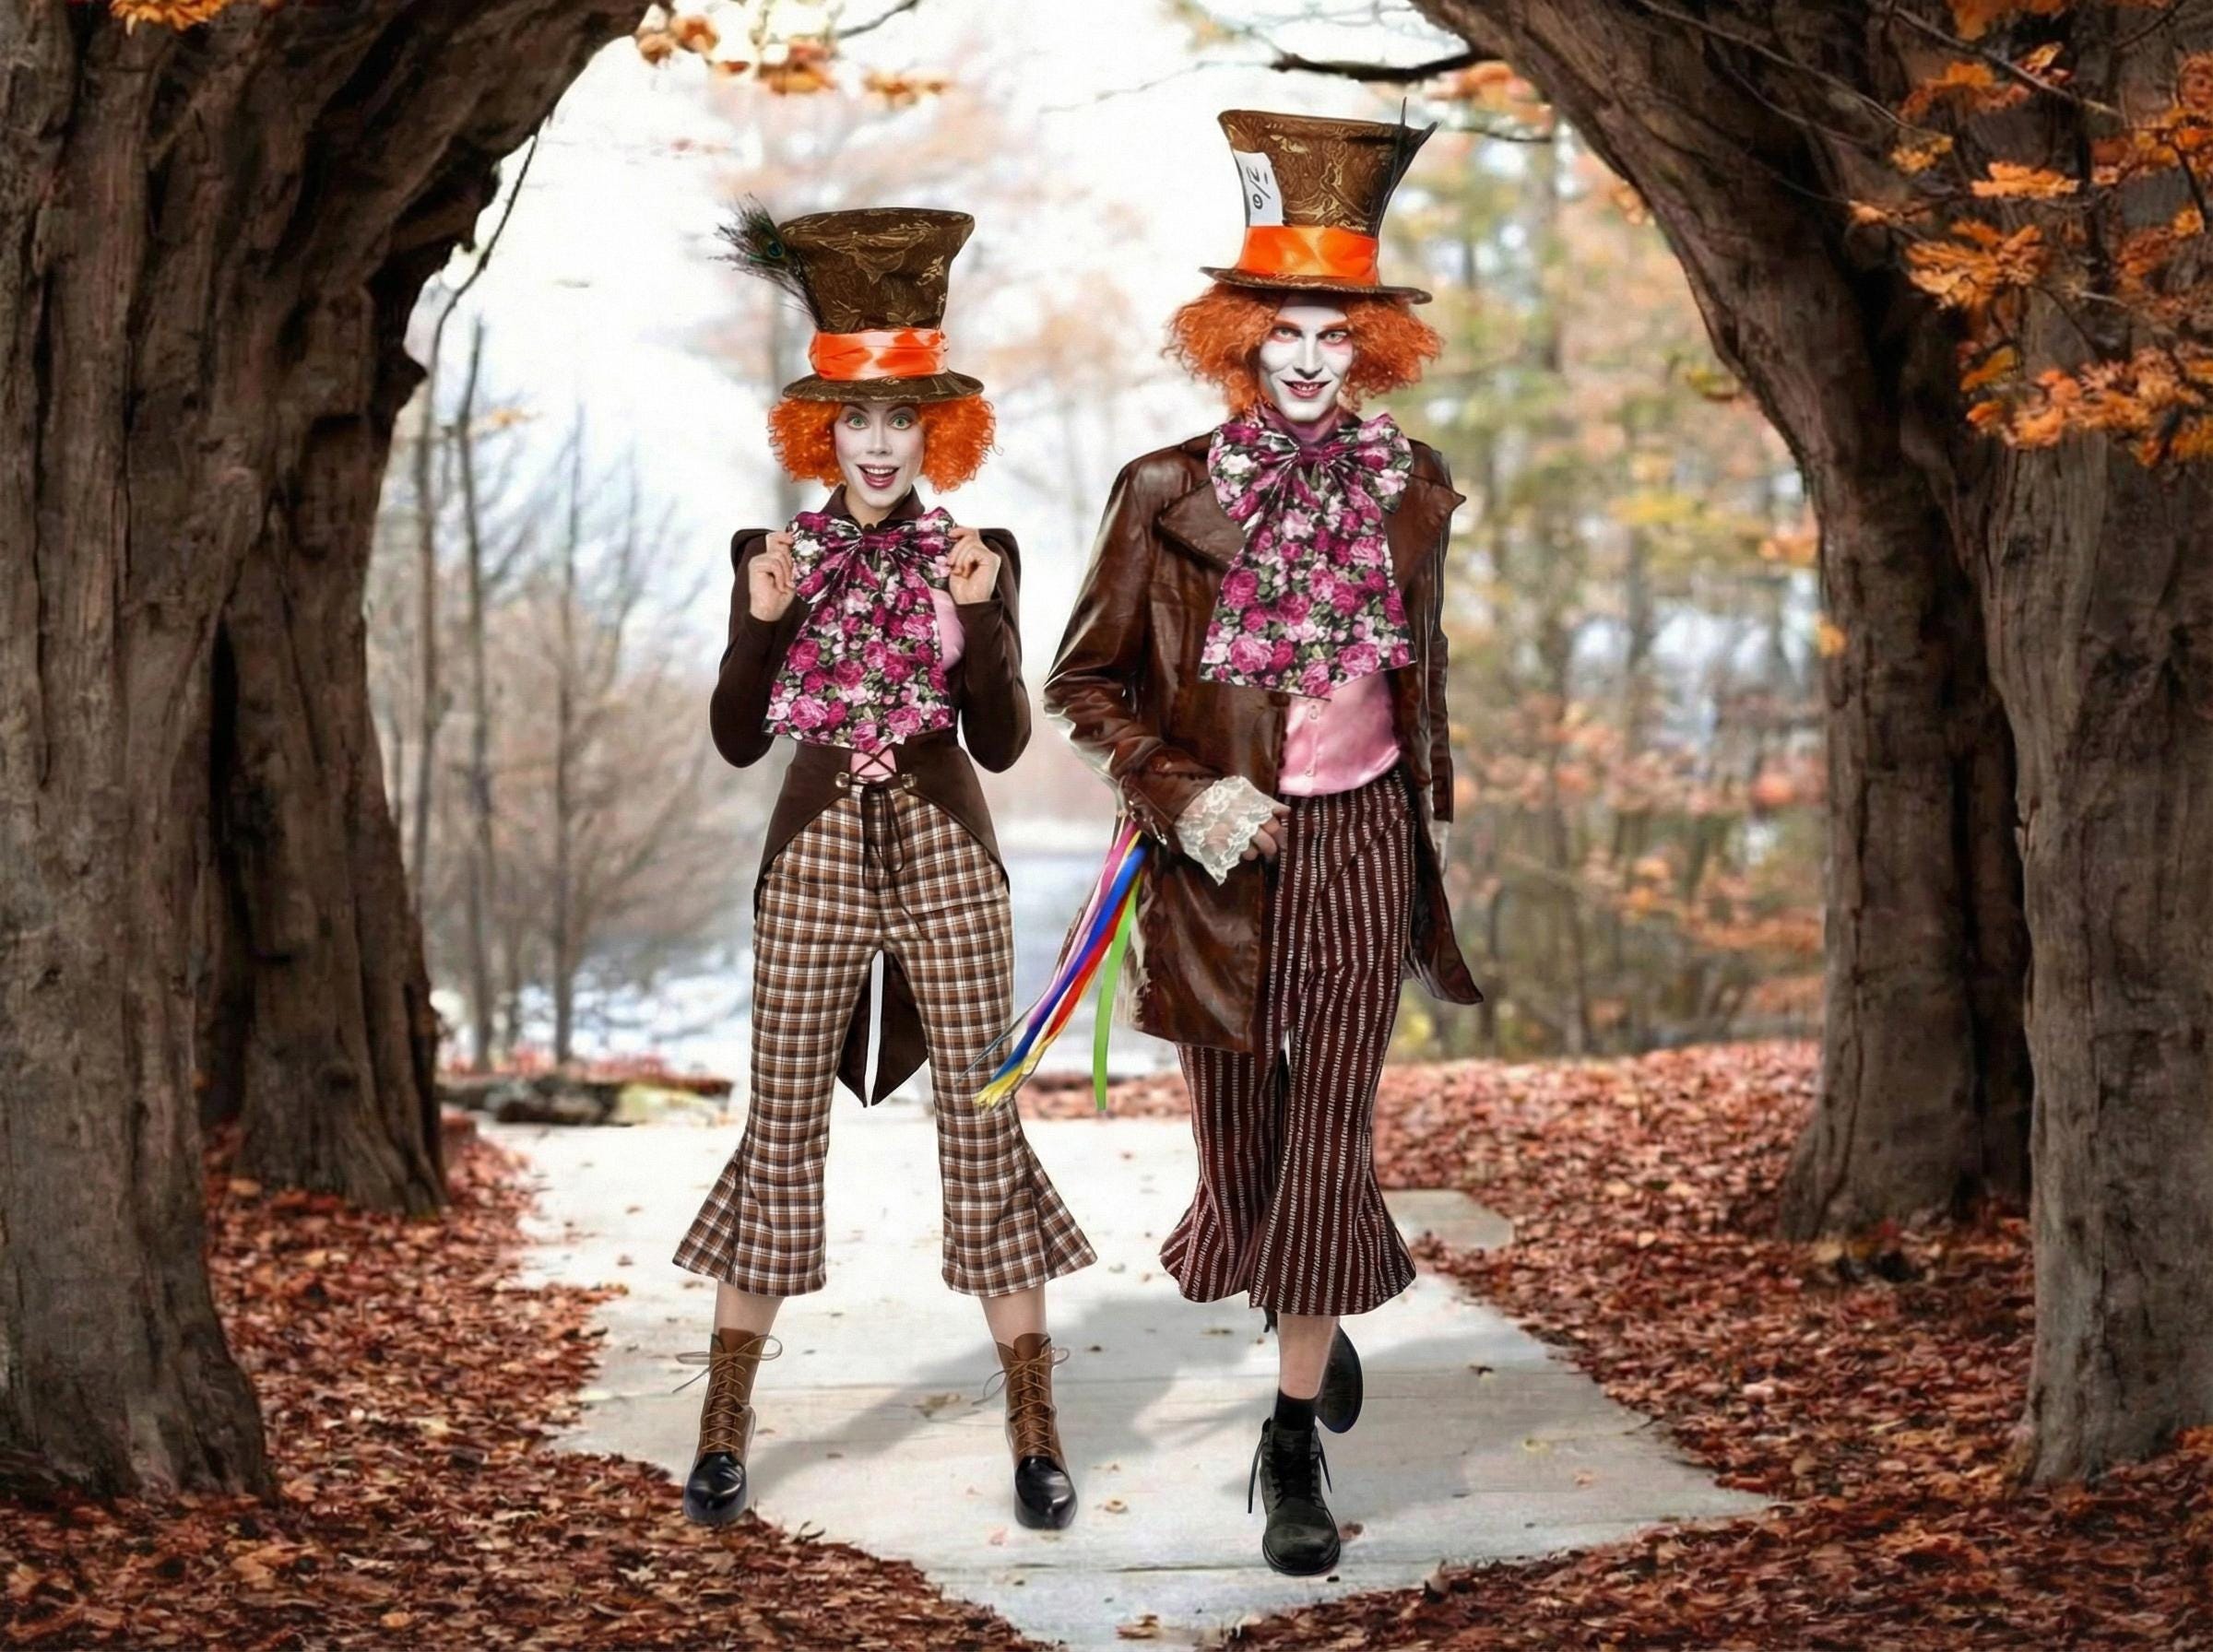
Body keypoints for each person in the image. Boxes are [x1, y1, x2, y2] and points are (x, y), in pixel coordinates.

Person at [1044, 112, 1482, 1576]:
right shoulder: (1165, 490)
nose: (1308, 359)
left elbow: (1417, 666)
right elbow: (1083, 684)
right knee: (1242, 1148)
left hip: (1363, 837)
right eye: (1284, 332)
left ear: (1372, 348)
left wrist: (1422, 806)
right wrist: (1182, 794)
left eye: (1335, 334)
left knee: (1330, 1128)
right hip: (1217, 854)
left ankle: (1291, 1440)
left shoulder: (1411, 486)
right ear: (1241, 340)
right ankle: (1311, 1292)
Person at [674, 205, 1095, 1533]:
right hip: (810, 855)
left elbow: (1003, 741)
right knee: (780, 1125)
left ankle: (1035, 1429)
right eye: (852, 418)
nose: (874, 442)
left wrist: (982, 621)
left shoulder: (981, 552)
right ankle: (724, 1426)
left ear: (934, 432)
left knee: (983, 1122)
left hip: (947, 851)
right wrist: (761, 626)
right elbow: (739, 737)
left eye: (899, 419)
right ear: (819, 429)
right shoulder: (771, 555)